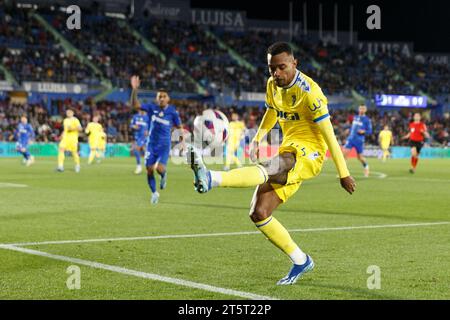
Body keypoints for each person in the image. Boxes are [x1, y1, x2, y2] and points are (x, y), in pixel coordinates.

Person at [188, 42, 355, 285]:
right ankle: (301, 260)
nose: (276, 73)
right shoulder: (272, 85)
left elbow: (329, 136)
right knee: (258, 212)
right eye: (271, 68)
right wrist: (258, 137)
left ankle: (211, 178)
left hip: (311, 153)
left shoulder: (311, 93)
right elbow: (272, 111)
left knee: (272, 166)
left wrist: (344, 173)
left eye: (281, 67)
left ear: (294, 64)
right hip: (289, 147)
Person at [130, 76, 183, 204]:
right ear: (156, 98)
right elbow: (135, 105)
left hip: (164, 145)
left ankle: (164, 176)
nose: (161, 98)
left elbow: (179, 127)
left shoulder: (172, 112)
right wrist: (134, 90)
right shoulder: (151, 108)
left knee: (159, 169)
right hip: (151, 144)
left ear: (168, 99)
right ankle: (154, 193)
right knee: (149, 169)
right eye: (159, 96)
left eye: (164, 96)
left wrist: (182, 143)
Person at [343, 105, 373, 177]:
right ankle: (343, 173)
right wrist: (349, 130)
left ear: (365, 110)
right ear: (358, 109)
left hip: (359, 140)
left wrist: (363, 131)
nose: (361, 110)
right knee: (344, 154)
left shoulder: (367, 120)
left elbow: (370, 131)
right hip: (351, 139)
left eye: (363, 108)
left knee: (360, 158)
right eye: (360, 108)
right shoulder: (355, 117)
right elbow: (354, 127)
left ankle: (366, 167)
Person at [130, 109, 149, 174]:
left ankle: (139, 166)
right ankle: (148, 166)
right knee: (145, 151)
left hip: (144, 136)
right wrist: (134, 126)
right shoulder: (135, 116)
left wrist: (148, 131)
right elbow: (131, 125)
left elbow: (151, 126)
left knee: (137, 149)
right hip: (137, 136)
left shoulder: (147, 117)